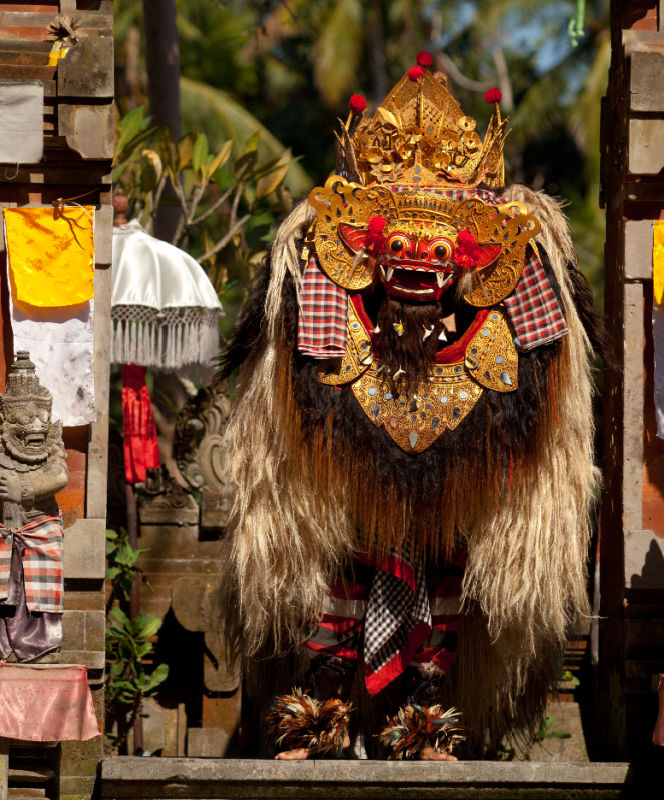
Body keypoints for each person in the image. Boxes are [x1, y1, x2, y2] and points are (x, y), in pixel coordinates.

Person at [219, 54, 600, 759]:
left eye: (438, 250)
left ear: (473, 261)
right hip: (352, 448)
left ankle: (427, 717)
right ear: (363, 254)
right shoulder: (325, 310)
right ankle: (321, 712)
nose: (420, 263)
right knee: (335, 561)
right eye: (399, 245)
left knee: (448, 565)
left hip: (457, 452)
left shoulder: (507, 326)